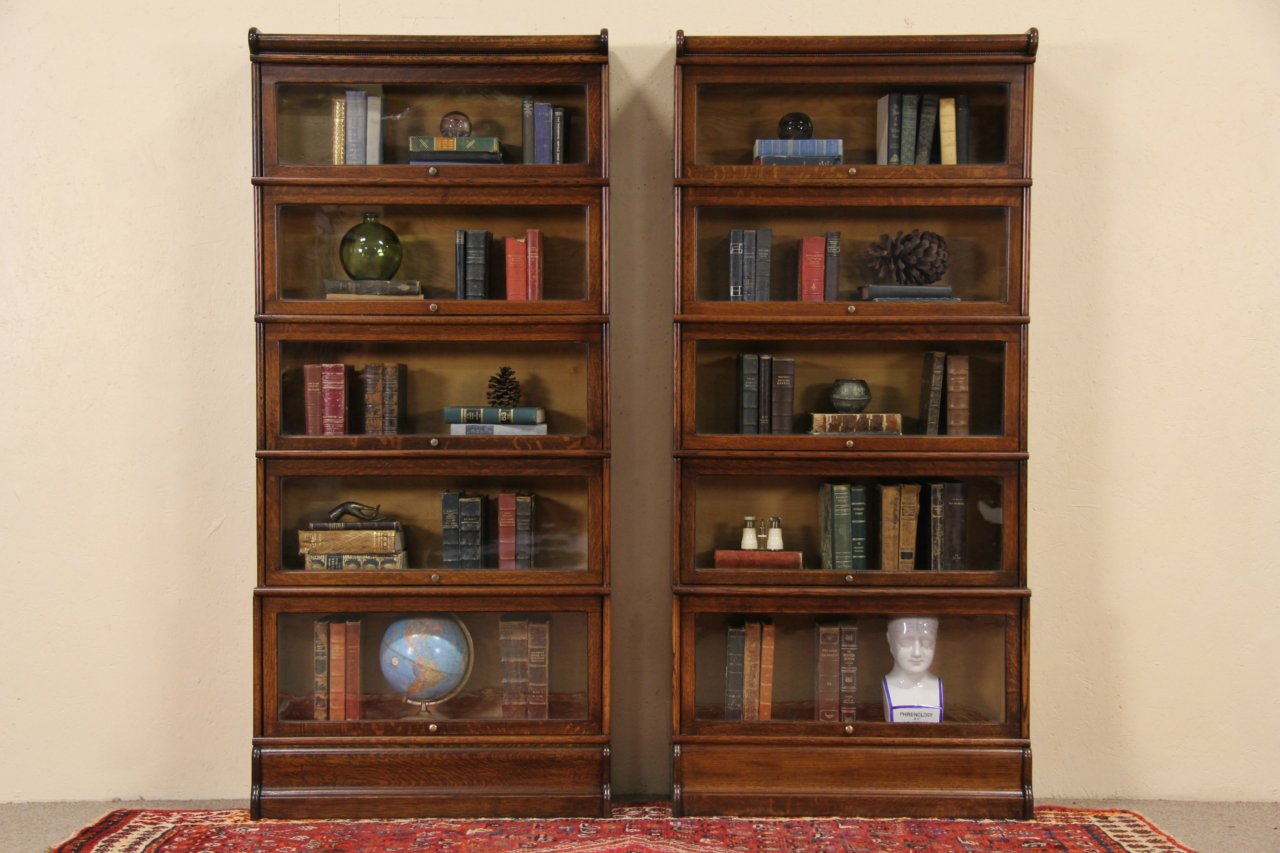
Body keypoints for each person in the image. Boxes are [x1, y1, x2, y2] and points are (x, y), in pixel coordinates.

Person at [882, 616, 943, 723]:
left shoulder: (937, 685)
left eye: (927, 641)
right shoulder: (888, 684)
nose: (917, 653)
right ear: (890, 641)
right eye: (906, 641)